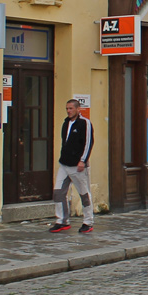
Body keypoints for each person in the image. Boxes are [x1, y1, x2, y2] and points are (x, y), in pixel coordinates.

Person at [50, 99, 95, 234]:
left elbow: (88, 143)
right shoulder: (66, 123)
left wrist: (82, 160)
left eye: (71, 108)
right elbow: (65, 142)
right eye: (67, 109)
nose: (69, 111)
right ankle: (62, 221)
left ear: (77, 109)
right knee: (58, 192)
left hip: (78, 166)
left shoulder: (84, 123)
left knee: (84, 193)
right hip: (64, 164)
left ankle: (88, 221)